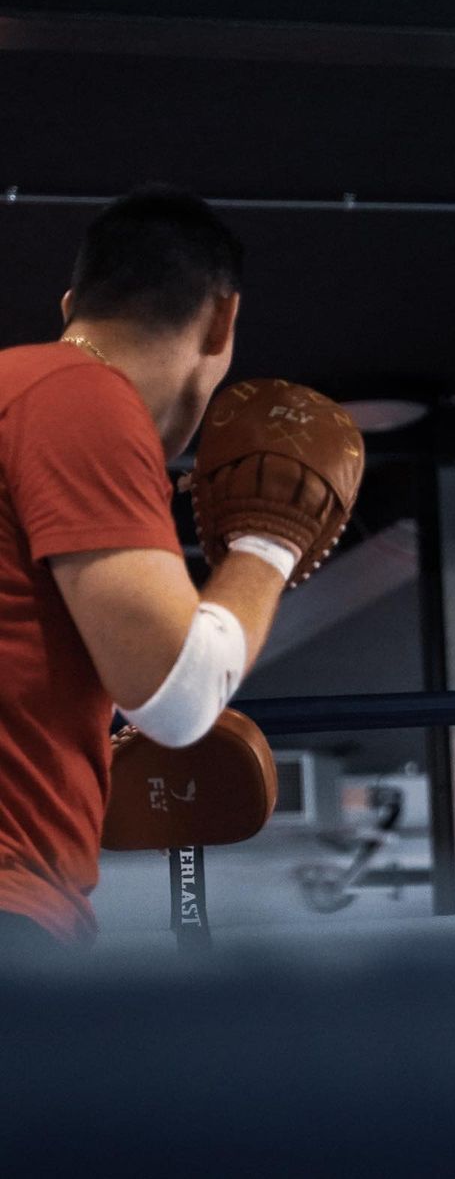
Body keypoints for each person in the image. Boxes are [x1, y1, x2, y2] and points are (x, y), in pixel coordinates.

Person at [0, 187, 306, 950]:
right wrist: (269, 542)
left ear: (74, 301)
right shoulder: (78, 396)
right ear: (222, 318)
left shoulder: (16, 391)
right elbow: (178, 697)